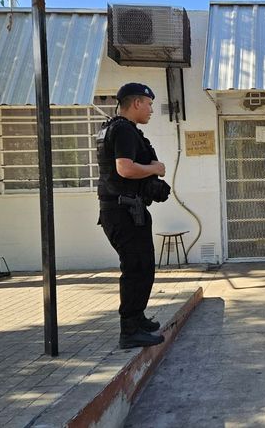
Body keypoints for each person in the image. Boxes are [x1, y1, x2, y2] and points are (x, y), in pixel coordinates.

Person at [97, 82, 172, 349]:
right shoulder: (124, 130)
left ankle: (137, 318)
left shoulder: (117, 128)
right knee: (136, 269)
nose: (152, 109)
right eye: (149, 104)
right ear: (137, 103)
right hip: (124, 211)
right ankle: (129, 330)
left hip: (127, 209)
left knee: (142, 266)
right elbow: (125, 169)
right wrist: (156, 168)